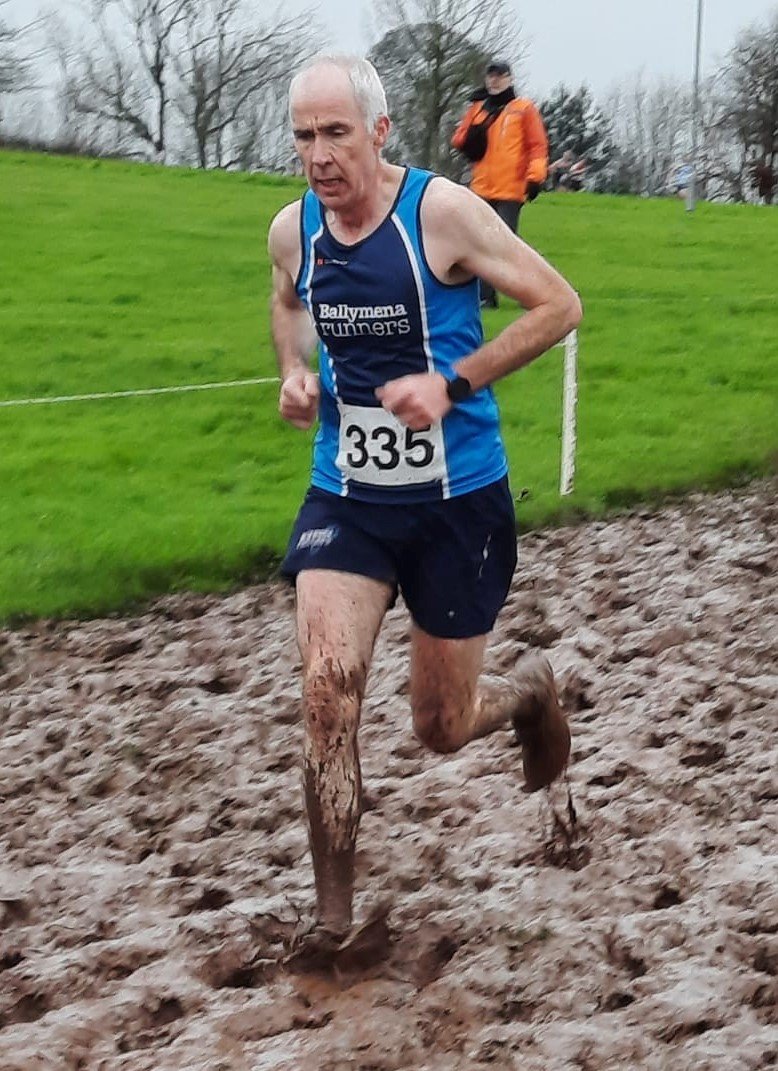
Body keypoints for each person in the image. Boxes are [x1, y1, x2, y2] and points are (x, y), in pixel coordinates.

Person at [268, 54, 582, 966]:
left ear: (379, 130)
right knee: (328, 692)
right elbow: (287, 302)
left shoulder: (440, 214)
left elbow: (560, 306)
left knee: (440, 728)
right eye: (302, 135)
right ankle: (333, 921)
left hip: (456, 501)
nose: (318, 155)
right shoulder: (293, 231)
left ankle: (528, 693)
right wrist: (295, 371)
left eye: (335, 133)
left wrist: (453, 382)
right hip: (348, 495)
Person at [451, 60, 549, 308]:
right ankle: (486, 296)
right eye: (491, 76)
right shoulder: (478, 108)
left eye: (500, 76)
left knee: (506, 245)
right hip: (482, 187)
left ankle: (532, 290)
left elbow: (537, 146)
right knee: (481, 244)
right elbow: (460, 139)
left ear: (510, 79)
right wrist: (475, 122)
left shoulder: (524, 108)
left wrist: (535, 177)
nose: (494, 80)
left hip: (510, 188)